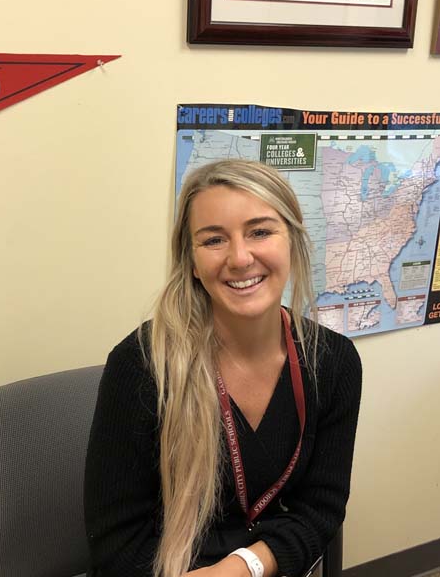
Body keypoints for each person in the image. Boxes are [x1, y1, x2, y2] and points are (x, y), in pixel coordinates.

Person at [84, 159, 362, 577]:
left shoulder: (334, 362)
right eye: (214, 240)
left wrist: (244, 566)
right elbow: (116, 546)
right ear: (192, 262)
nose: (240, 257)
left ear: (292, 242)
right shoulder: (142, 366)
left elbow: (320, 509)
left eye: (261, 231)